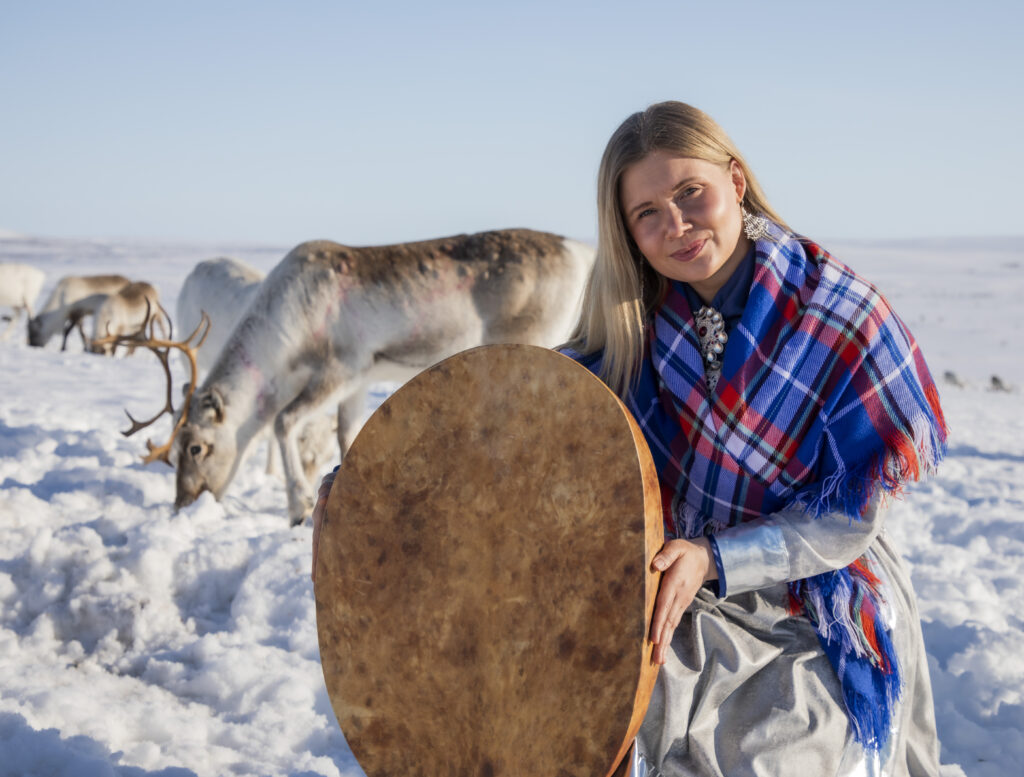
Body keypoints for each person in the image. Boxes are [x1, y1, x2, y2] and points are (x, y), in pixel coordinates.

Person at [558, 101, 946, 776]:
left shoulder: (841, 316)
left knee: (775, 752)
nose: (676, 225)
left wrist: (716, 557)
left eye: (690, 192)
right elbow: (533, 416)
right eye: (647, 212)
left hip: (811, 589)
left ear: (735, 181)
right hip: (669, 581)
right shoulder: (630, 328)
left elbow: (847, 520)